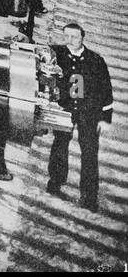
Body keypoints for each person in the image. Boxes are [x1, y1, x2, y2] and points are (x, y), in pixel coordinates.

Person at [47, 22, 113, 212]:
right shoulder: (56, 54)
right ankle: (56, 181)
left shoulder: (95, 60)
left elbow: (105, 89)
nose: (70, 40)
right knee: (60, 144)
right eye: (66, 36)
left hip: (89, 112)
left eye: (74, 36)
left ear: (83, 37)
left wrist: (105, 118)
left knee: (90, 152)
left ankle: (89, 195)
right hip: (65, 109)